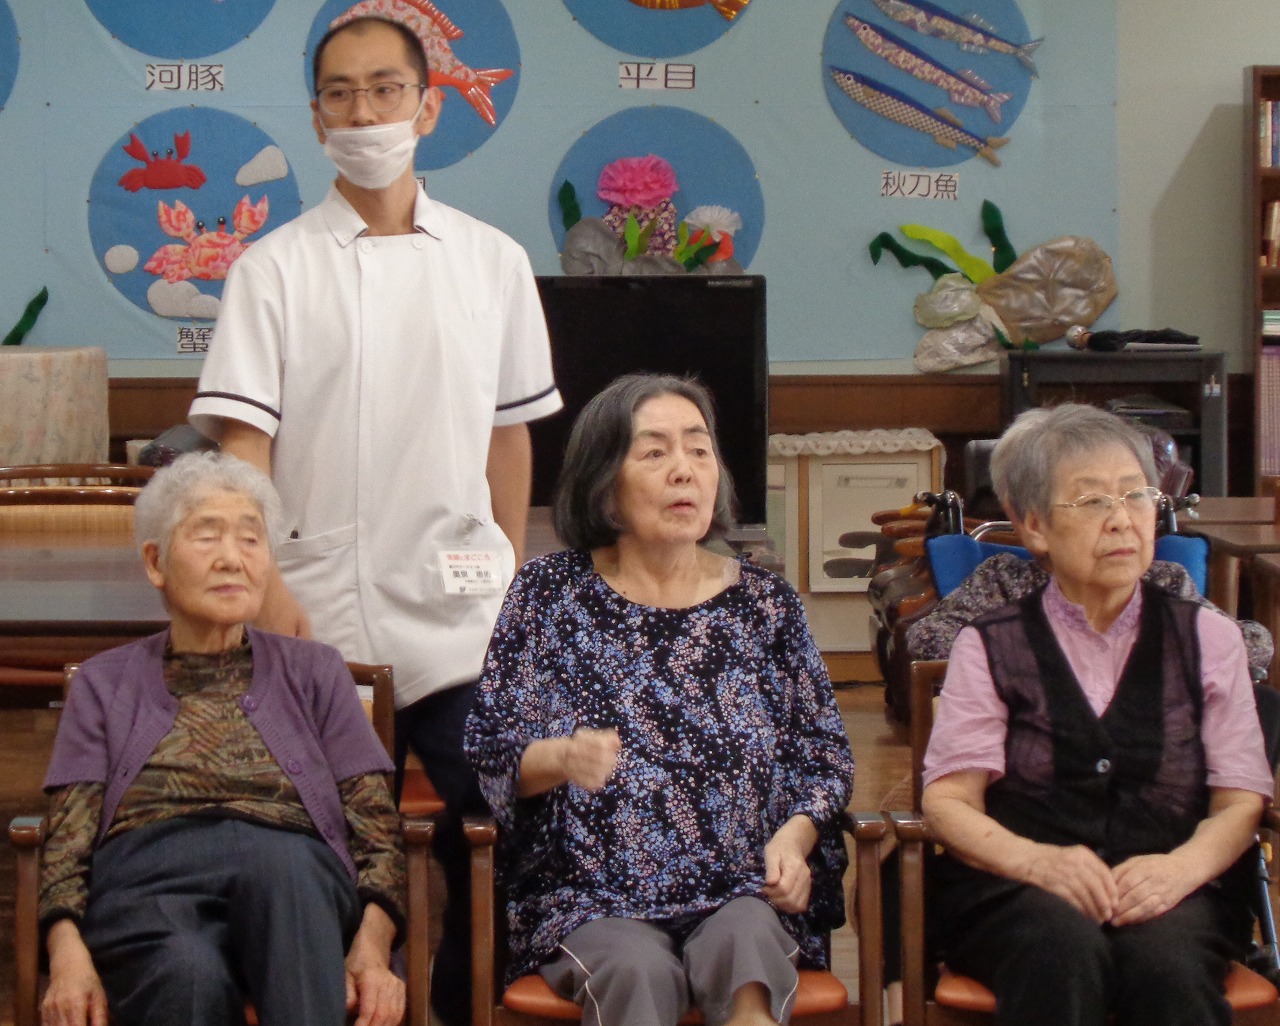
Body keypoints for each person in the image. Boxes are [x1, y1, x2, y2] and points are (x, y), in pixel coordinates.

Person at [187, 15, 561, 1024]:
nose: (365, 113)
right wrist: (269, 594)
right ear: (317, 118)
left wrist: (507, 576)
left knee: (504, 824)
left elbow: (508, 436)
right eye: (341, 94)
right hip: (317, 616)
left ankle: (465, 999)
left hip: (461, 616)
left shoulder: (492, 261)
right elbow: (243, 448)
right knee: (319, 848)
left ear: (427, 107)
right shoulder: (274, 268)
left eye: (386, 89)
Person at [465, 374, 855, 1026]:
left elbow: (824, 757)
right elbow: (490, 749)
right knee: (635, 971)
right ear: (604, 482)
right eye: (654, 452)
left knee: (746, 947)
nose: (684, 470)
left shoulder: (765, 605)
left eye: (699, 450)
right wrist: (561, 757)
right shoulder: (548, 595)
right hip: (591, 896)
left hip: (740, 886)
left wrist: (794, 838)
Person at [921, 404, 1274, 1026]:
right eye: (1091, 501)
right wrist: (1036, 861)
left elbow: (1240, 800)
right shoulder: (990, 643)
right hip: (1019, 890)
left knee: (1167, 964)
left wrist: (1180, 870)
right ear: (1034, 526)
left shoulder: (1209, 638)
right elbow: (949, 801)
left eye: (1136, 495)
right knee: (1060, 949)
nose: (1121, 519)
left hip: (1175, 884)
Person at [38, 452, 405, 1026]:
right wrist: (66, 954)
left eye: (251, 539)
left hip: (295, 881)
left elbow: (378, 828)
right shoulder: (103, 683)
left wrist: (373, 947)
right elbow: (67, 840)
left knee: (283, 869)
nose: (232, 558)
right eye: (207, 536)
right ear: (156, 562)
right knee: (187, 973)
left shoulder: (317, 671)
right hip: (148, 880)